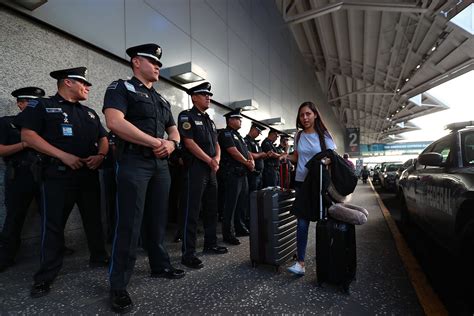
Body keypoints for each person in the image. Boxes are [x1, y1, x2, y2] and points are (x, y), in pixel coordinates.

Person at [13, 67, 110, 297]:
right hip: (58, 176)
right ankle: (46, 275)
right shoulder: (42, 106)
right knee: (53, 225)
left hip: (88, 175)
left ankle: (99, 257)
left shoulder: (89, 113)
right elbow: (28, 136)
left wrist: (101, 156)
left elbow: (103, 138)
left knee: (94, 219)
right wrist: (63, 155)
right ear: (67, 82)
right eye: (83, 83)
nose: (87, 88)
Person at [103, 43, 184, 314]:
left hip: (160, 165)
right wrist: (154, 142)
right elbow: (114, 122)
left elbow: (174, 131)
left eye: (159, 62)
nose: (158, 66)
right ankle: (118, 284)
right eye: (153, 62)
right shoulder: (120, 88)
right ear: (136, 62)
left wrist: (171, 145)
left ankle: (159, 265)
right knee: (129, 222)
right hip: (134, 162)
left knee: (157, 218)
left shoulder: (162, 100)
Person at [177, 82, 228, 269]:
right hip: (196, 169)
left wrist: (217, 159)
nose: (208, 97)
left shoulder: (210, 120)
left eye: (209, 95)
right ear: (194, 97)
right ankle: (188, 253)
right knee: (192, 211)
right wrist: (209, 160)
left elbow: (217, 143)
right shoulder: (186, 116)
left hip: (211, 168)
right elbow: (189, 143)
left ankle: (210, 243)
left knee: (211, 208)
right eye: (204, 94)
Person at [286, 101, 336, 275]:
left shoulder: (324, 135)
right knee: (302, 222)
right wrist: (284, 156)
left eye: (308, 114)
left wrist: (320, 162)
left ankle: (326, 260)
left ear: (315, 114)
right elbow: (297, 157)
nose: (305, 117)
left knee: (324, 221)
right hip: (301, 183)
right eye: (302, 115)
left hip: (319, 183)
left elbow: (332, 158)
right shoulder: (298, 136)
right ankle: (301, 262)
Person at [0, 87, 45, 272]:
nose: (35, 106)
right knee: (15, 217)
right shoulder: (7, 123)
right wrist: (26, 143)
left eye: (37, 103)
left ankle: (54, 249)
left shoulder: (44, 124)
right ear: (20, 104)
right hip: (19, 174)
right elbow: (1, 150)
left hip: (44, 174)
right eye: (31, 102)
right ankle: (6, 256)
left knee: (51, 216)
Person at [218, 108, 254, 244]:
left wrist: (251, 161)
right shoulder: (225, 134)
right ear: (230, 120)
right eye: (238, 119)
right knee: (230, 205)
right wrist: (247, 162)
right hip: (232, 174)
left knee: (241, 203)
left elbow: (247, 151)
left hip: (242, 173)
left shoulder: (239, 136)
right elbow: (232, 151)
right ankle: (228, 233)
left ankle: (240, 227)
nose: (240, 121)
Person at [244, 122, 267, 224]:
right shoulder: (246, 141)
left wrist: (264, 155)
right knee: (250, 198)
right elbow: (249, 154)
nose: (258, 134)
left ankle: (254, 218)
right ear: (253, 129)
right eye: (258, 131)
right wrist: (261, 154)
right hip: (252, 174)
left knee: (257, 198)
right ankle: (248, 219)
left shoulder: (256, 142)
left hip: (259, 174)